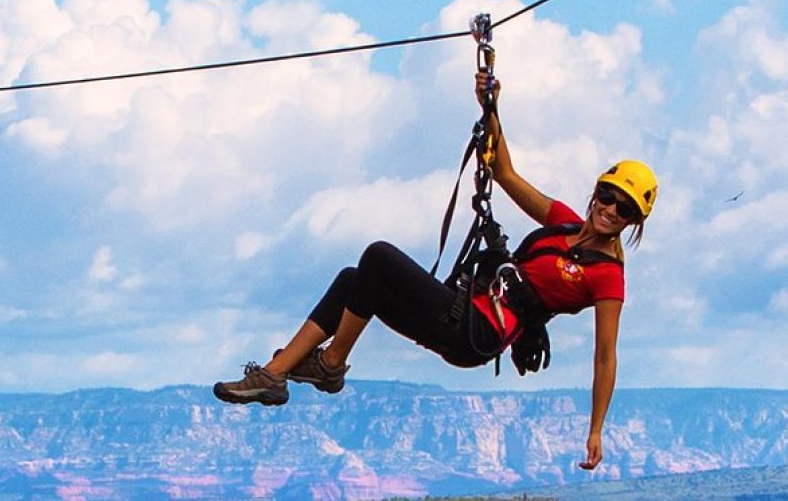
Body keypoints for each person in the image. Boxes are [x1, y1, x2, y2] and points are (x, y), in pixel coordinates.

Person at [213, 71, 658, 470]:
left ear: (634, 221)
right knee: (355, 280)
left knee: (379, 256)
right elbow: (503, 172)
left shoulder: (608, 276)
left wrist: (596, 428)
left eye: (625, 208)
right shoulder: (561, 222)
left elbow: (604, 357)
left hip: (479, 331)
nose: (610, 209)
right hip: (465, 312)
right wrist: (491, 106)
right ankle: (274, 376)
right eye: (607, 195)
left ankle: (330, 363)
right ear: (596, 191)